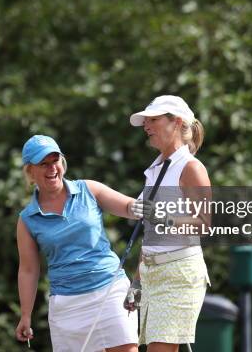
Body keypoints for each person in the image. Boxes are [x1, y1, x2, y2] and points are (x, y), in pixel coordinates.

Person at [15, 134, 140, 352]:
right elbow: (28, 270)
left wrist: (142, 208)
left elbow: (129, 207)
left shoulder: (88, 189)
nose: (51, 168)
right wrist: (25, 315)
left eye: (55, 161)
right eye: (43, 164)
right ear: (30, 171)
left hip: (110, 290)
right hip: (67, 306)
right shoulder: (27, 219)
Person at [124, 95, 212, 352]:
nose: (146, 126)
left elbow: (203, 224)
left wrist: (164, 217)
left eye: (153, 119)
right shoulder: (155, 169)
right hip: (152, 274)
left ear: (176, 122)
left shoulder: (191, 167)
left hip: (179, 273)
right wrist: (137, 281)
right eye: (145, 121)